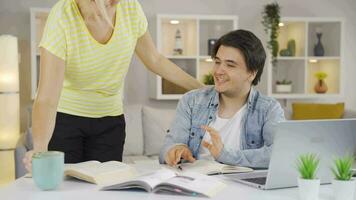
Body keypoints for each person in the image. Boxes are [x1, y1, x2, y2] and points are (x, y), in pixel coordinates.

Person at [23, 0, 203, 172]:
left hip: (110, 121)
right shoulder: (62, 16)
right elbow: (47, 97)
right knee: (69, 189)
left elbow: (155, 59)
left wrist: (201, 88)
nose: (116, 3)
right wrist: (40, 149)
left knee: (106, 188)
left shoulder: (130, 8)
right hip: (65, 119)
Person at [159, 29, 285, 168]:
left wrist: (224, 155)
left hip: (244, 187)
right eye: (217, 62)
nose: (218, 71)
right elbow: (169, 146)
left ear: (251, 73)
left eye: (230, 65)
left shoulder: (268, 109)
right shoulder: (191, 101)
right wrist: (175, 151)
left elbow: (280, 153)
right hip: (196, 184)